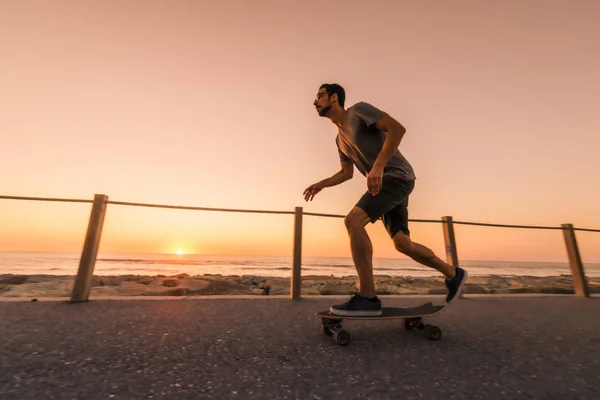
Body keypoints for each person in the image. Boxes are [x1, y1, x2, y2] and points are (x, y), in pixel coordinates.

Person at [304, 83, 468, 316]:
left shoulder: (359, 111)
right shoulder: (339, 140)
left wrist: (379, 166)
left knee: (353, 221)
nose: (314, 101)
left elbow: (397, 129)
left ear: (333, 97)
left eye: (319, 95)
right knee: (402, 243)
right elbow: (346, 173)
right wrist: (321, 184)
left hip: (396, 177)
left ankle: (368, 297)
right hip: (383, 184)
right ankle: (453, 274)